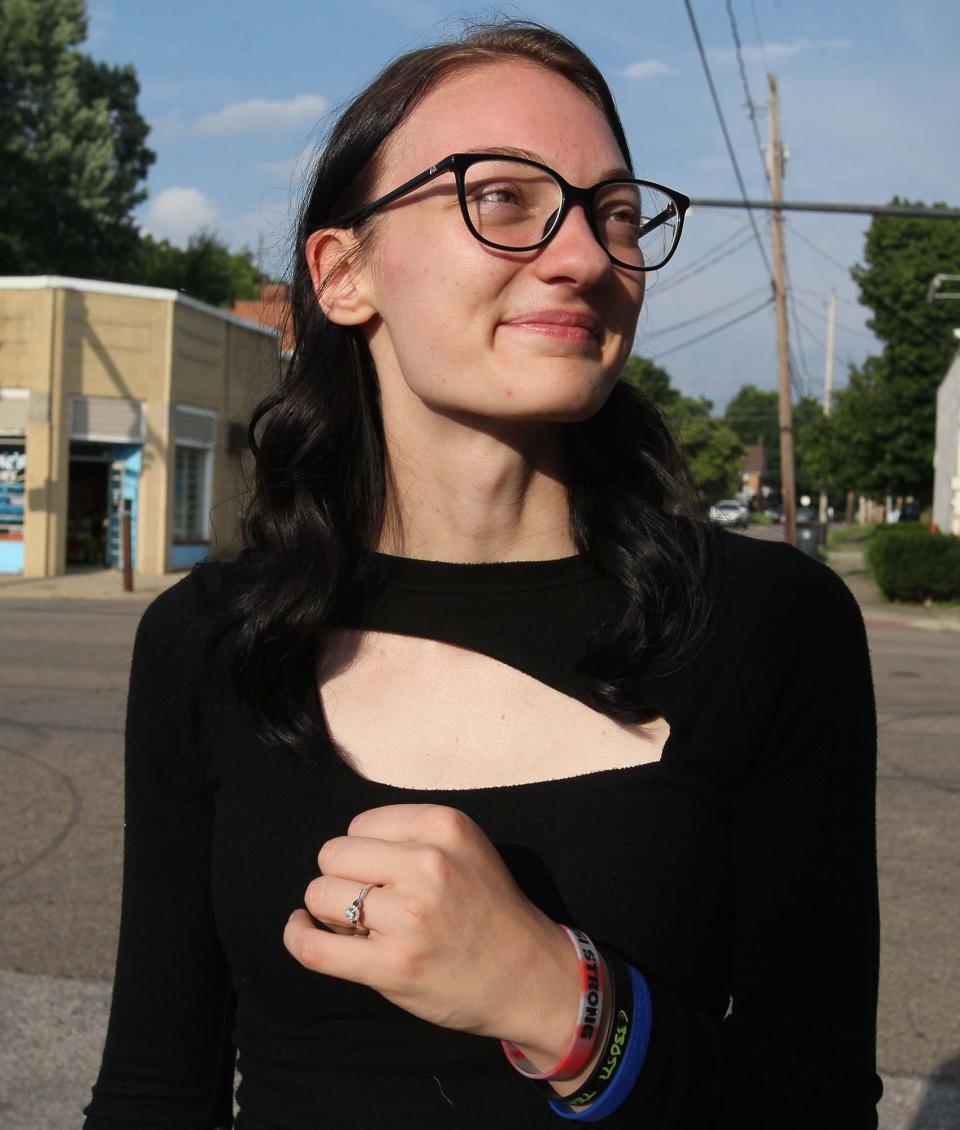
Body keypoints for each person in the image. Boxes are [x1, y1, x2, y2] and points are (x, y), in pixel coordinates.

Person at [83, 20, 882, 1130]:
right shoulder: (211, 639)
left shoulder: (768, 625)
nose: (588, 256)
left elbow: (818, 1098)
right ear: (345, 272)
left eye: (615, 213)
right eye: (501, 197)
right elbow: (152, 1092)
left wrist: (565, 1005)